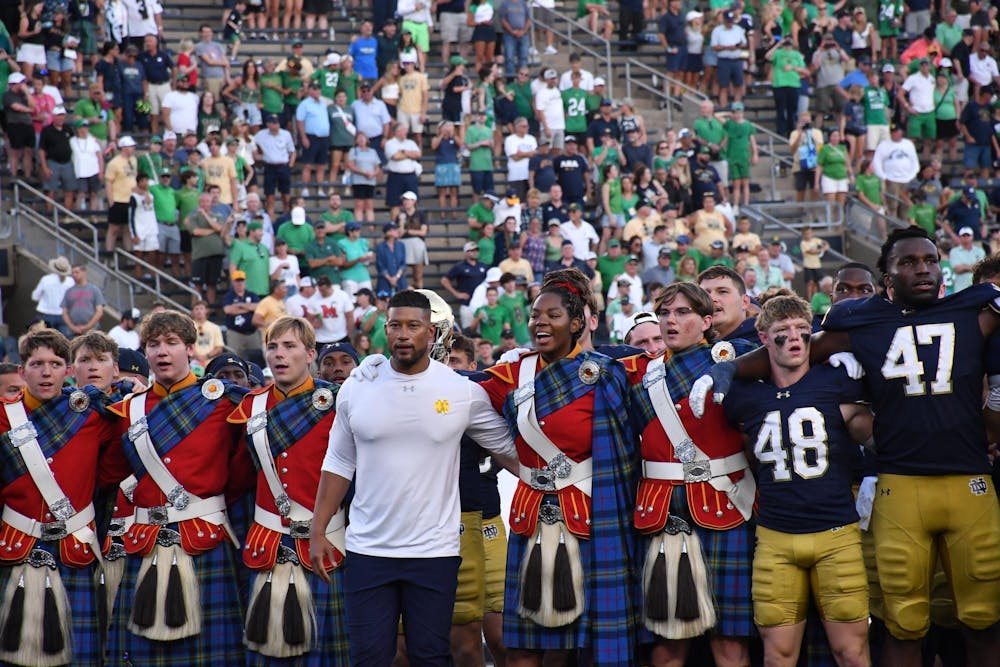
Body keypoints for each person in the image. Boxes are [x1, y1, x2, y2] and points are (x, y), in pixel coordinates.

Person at [691, 226, 1000, 667]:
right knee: (902, 621)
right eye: (908, 262)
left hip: (970, 474)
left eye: (930, 260)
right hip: (899, 481)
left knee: (983, 617)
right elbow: (795, 350)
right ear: (888, 277)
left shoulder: (975, 308)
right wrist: (727, 371)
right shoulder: (863, 321)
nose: (923, 269)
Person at [309, 290, 517, 666]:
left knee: (430, 656)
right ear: (385, 331)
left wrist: (558, 483)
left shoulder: (462, 392)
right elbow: (338, 461)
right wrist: (318, 529)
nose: (403, 334)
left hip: (434, 552)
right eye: (395, 326)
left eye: (413, 326)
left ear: (432, 332)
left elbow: (512, 452)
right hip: (368, 550)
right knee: (369, 656)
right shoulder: (358, 386)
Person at [724, 293, 873, 667]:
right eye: (782, 330)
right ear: (762, 336)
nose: (793, 338)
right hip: (776, 535)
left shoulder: (839, 379)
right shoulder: (744, 394)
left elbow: (874, 436)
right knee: (779, 655)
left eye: (802, 330)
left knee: (851, 651)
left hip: (837, 532)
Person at [104, 309, 254, 665]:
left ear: (190, 347)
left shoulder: (223, 402)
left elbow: (244, 470)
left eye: (172, 342)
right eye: (153, 344)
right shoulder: (127, 411)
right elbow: (107, 473)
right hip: (146, 542)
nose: (162, 352)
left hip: (206, 539)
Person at [621, 282, 757, 667]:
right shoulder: (638, 374)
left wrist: (727, 368)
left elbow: (773, 349)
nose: (670, 321)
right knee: (667, 646)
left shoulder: (736, 359)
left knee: (730, 644)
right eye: (664, 313)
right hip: (661, 510)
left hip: (725, 506)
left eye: (682, 313)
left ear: (707, 320)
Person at [226, 317, 351, 666]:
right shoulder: (249, 407)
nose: (279, 355)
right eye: (272, 346)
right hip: (268, 544)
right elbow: (236, 479)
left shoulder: (339, 402)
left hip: (328, 545)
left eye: (290, 346)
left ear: (310, 354)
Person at [0, 330, 120, 667]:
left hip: (74, 549)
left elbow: (114, 467)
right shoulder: (2, 416)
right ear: (22, 371)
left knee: (79, 658)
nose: (46, 372)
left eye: (55, 364)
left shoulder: (94, 416)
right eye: (37, 364)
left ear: (68, 371)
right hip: (15, 547)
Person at [31, 256, 73, 335]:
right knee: (65, 340)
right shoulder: (70, 282)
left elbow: (35, 296)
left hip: (47, 313)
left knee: (48, 339)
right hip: (64, 314)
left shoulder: (46, 279)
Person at [61, 263, 106, 336]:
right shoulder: (69, 291)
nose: (74, 275)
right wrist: (72, 327)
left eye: (76, 272)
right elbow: (64, 312)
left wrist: (87, 327)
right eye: (72, 273)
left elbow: (99, 311)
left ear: (84, 272)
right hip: (73, 332)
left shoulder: (94, 290)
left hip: (92, 331)